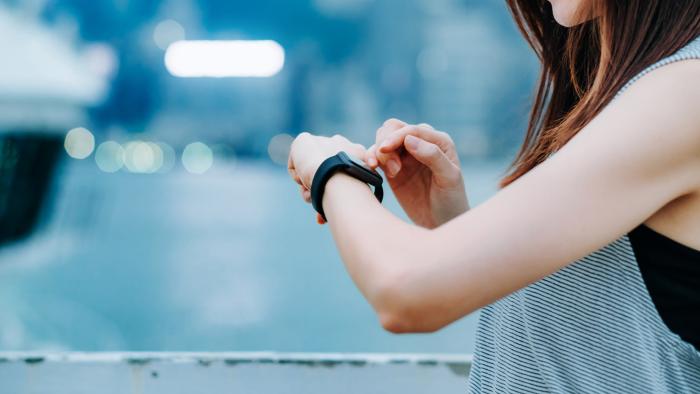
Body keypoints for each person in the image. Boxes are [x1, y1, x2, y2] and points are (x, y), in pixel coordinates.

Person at [287, 1, 700, 392]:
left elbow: (404, 291)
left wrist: (333, 170)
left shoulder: (684, 93)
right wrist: (453, 227)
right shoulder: (642, 90)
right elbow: (595, 326)